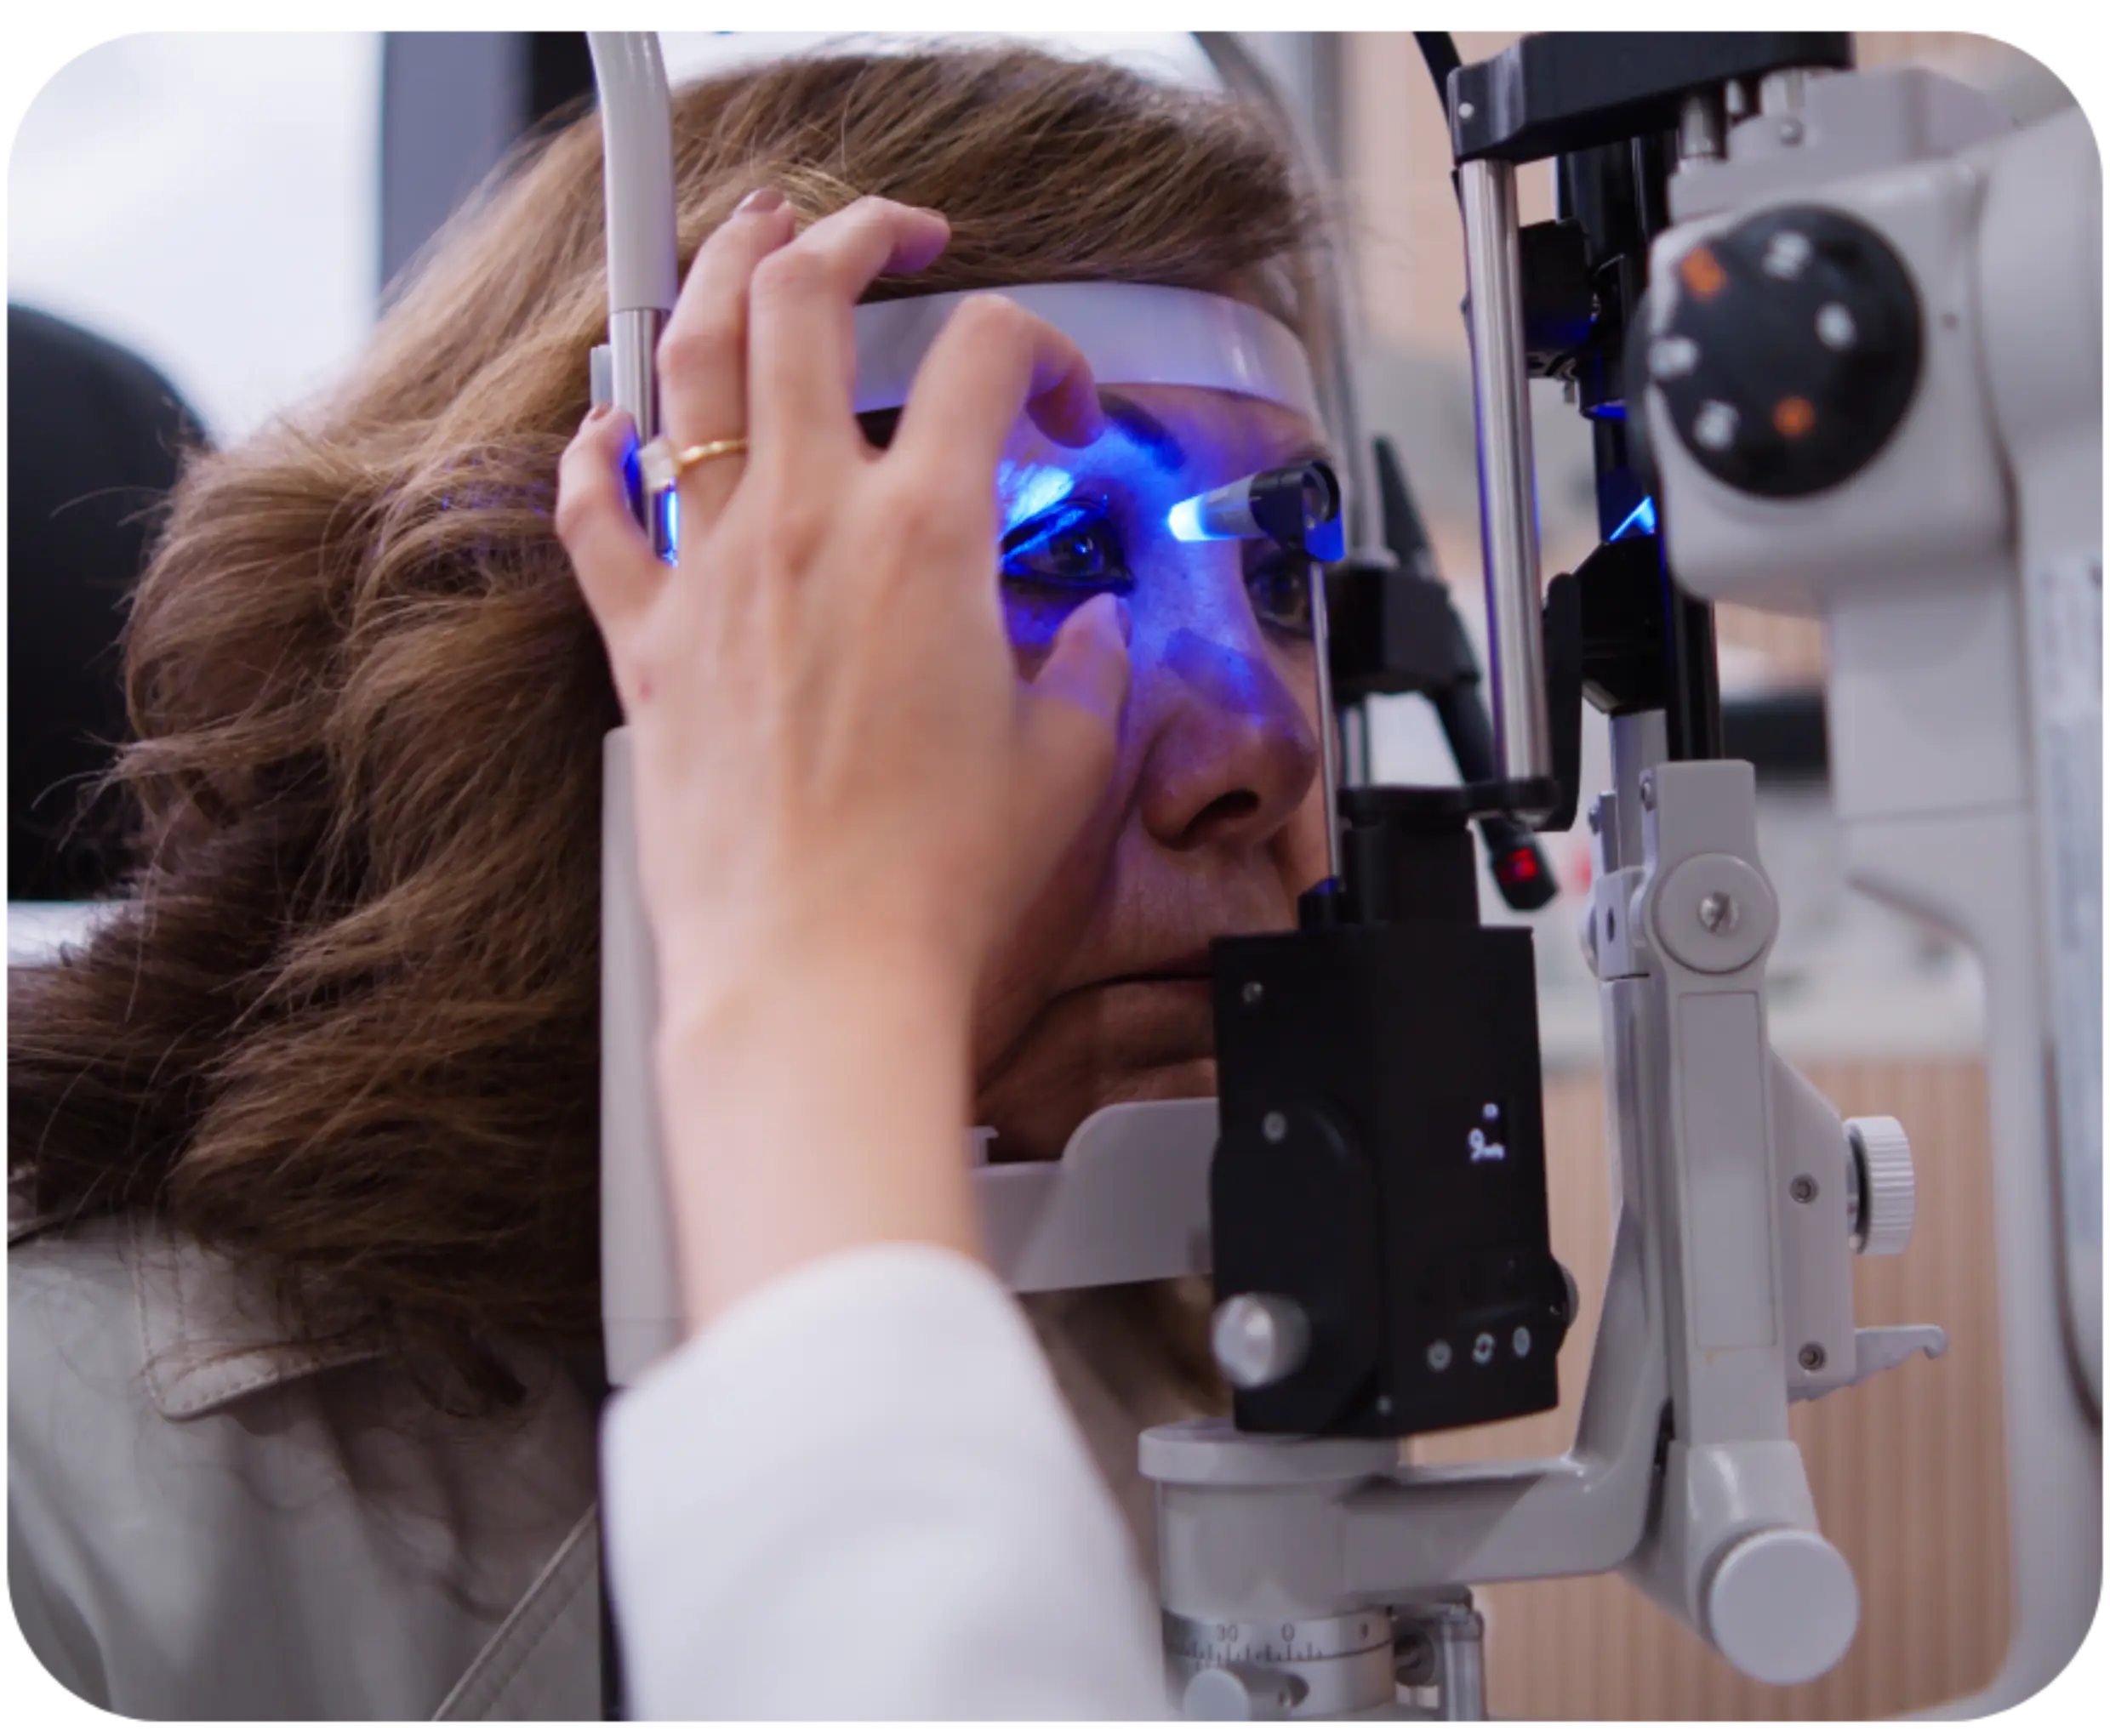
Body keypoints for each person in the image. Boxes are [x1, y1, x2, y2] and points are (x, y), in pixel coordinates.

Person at [7, 46, 1329, 1719]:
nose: (1266, 743)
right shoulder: (65, 1474)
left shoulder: (1174, 1371)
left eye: (1283, 576)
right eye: (1048, 543)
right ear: (598, 645)